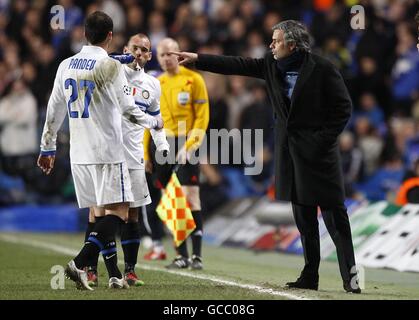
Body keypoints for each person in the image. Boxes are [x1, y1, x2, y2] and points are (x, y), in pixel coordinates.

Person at [172, 20, 361, 293]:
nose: (271, 45)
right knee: (304, 220)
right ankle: (310, 275)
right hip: (290, 155)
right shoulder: (271, 66)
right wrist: (199, 60)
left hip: (320, 157)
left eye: (276, 41)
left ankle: (351, 277)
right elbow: (237, 64)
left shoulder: (322, 68)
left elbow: (343, 107)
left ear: (292, 45)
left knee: (335, 218)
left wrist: (321, 140)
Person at [37, 11, 162, 290]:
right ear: (110, 36)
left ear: (83, 33)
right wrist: (154, 121)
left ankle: (96, 269)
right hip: (106, 150)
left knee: (98, 214)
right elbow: (129, 110)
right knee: (118, 212)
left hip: (78, 154)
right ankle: (81, 261)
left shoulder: (65, 65)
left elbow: (53, 109)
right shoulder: (110, 66)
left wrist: (47, 147)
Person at [83, 34, 169, 287]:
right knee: (99, 213)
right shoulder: (111, 72)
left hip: (133, 157)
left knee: (131, 215)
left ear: (150, 55)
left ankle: (128, 271)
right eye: (135, 48)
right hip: (105, 153)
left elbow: (157, 118)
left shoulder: (152, 84)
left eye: (145, 50)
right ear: (125, 50)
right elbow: (95, 67)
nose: (140, 53)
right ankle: (91, 268)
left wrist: (162, 145)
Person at [143, 38, 209, 270]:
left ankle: (198, 256)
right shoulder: (155, 84)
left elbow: (202, 119)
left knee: (190, 198)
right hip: (161, 145)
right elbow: (149, 123)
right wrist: (146, 155)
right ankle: (181, 256)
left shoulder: (194, 80)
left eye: (170, 53)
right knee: (171, 202)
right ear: (157, 58)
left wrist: (190, 145)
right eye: (161, 55)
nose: (166, 58)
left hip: (186, 142)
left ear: (178, 54)